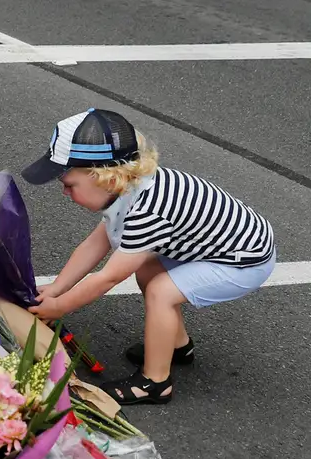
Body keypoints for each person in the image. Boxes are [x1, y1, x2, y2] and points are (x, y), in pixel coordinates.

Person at [22, 109, 275, 405]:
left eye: (69, 185)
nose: (64, 192)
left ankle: (155, 382)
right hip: (221, 245)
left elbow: (109, 277)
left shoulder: (146, 212)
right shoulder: (128, 186)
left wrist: (60, 306)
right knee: (147, 269)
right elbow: (95, 244)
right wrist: (57, 287)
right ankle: (177, 346)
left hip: (244, 260)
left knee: (160, 291)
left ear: (104, 178)